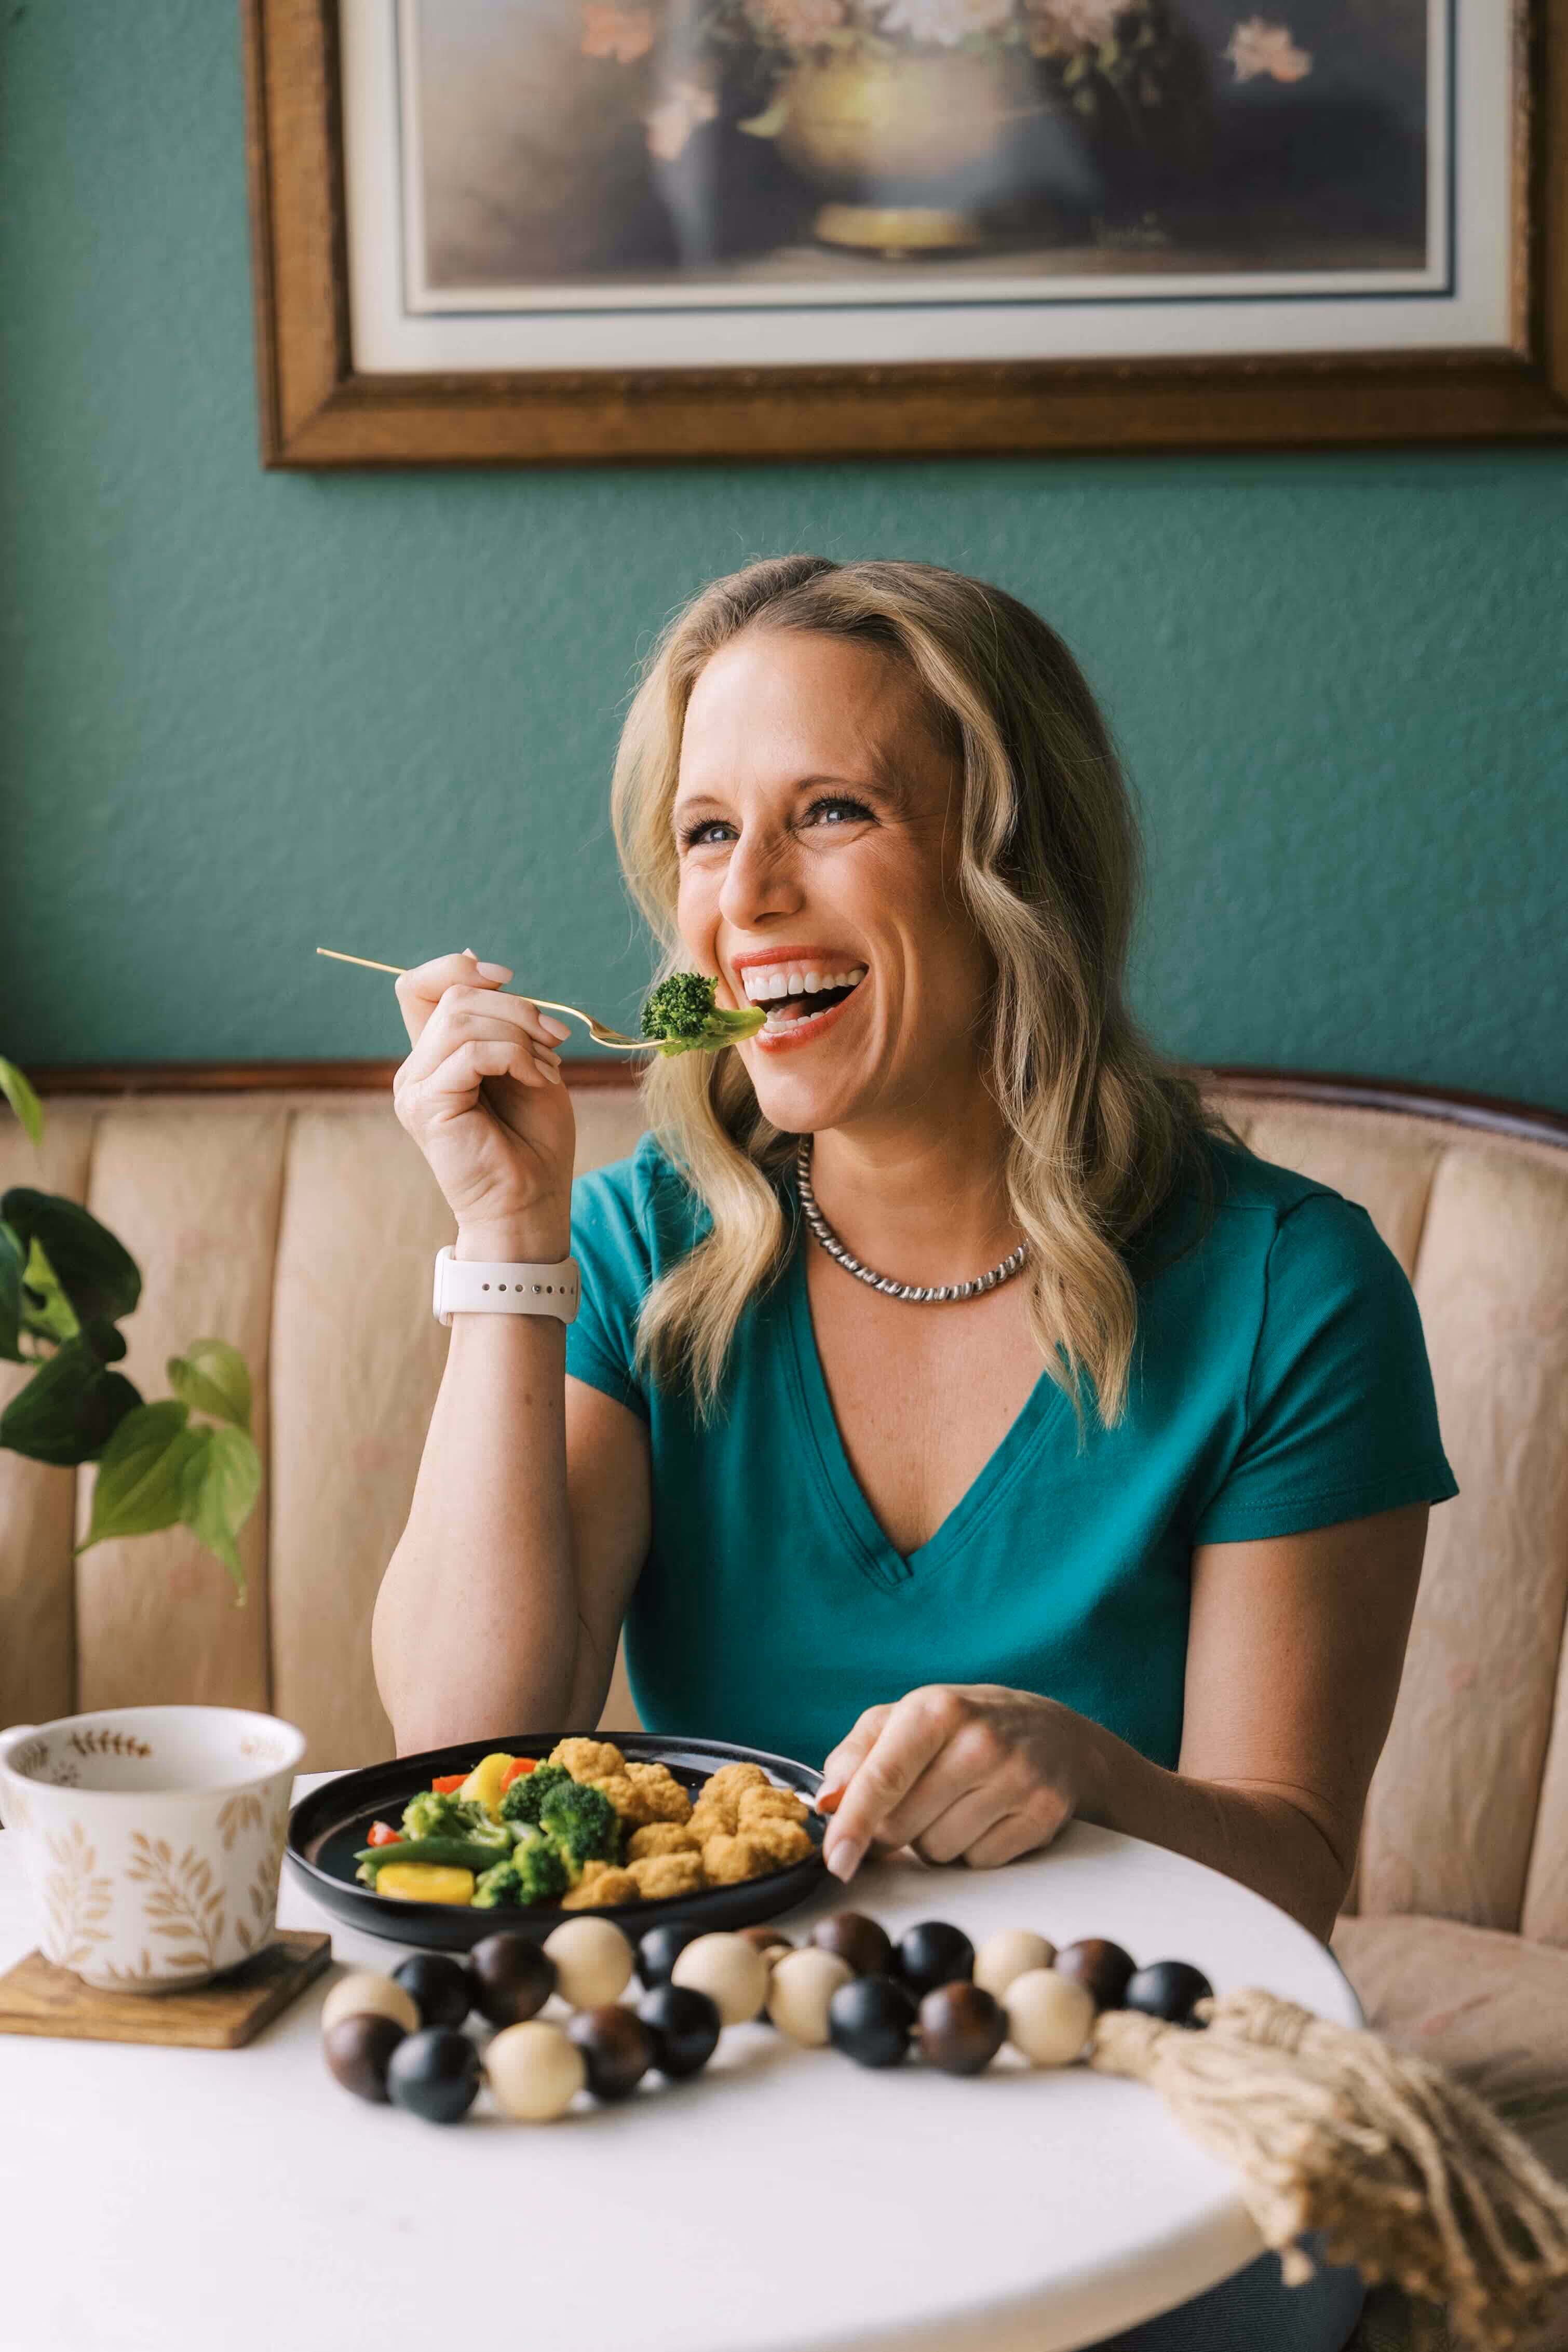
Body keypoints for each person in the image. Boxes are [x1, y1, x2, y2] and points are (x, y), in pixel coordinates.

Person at [374, 557, 1456, 2351]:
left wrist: (1086, 1768)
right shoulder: (637, 1250)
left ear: (1005, 864)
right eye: (708, 834)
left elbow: (1288, 1868)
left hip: (1120, 2106)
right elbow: (465, 1748)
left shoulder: (1290, 1289)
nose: (748, 897)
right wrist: (509, 1239)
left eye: (833, 813)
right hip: (708, 2091)